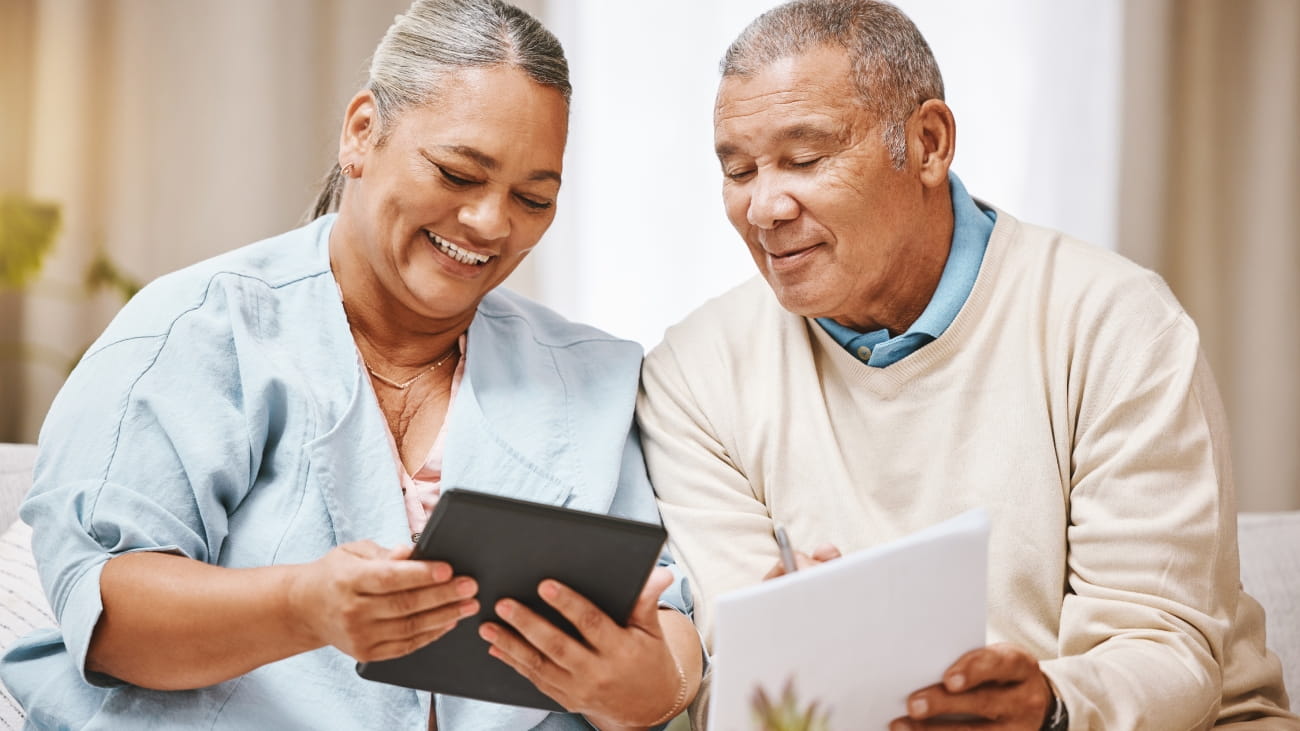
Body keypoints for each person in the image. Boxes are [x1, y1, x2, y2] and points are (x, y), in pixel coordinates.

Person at [0, 1, 702, 728]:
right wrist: (300, 607)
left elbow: (667, 613)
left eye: (533, 198)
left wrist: (653, 687)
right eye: (459, 173)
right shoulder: (199, 332)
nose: (493, 223)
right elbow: (107, 614)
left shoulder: (591, 378)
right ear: (362, 132)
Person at [635, 1, 1297, 729]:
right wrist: (789, 646)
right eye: (738, 169)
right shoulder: (692, 373)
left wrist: (1047, 703)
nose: (763, 206)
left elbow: (1167, 654)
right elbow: (727, 669)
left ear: (927, 143)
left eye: (804, 158)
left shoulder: (1115, 323)